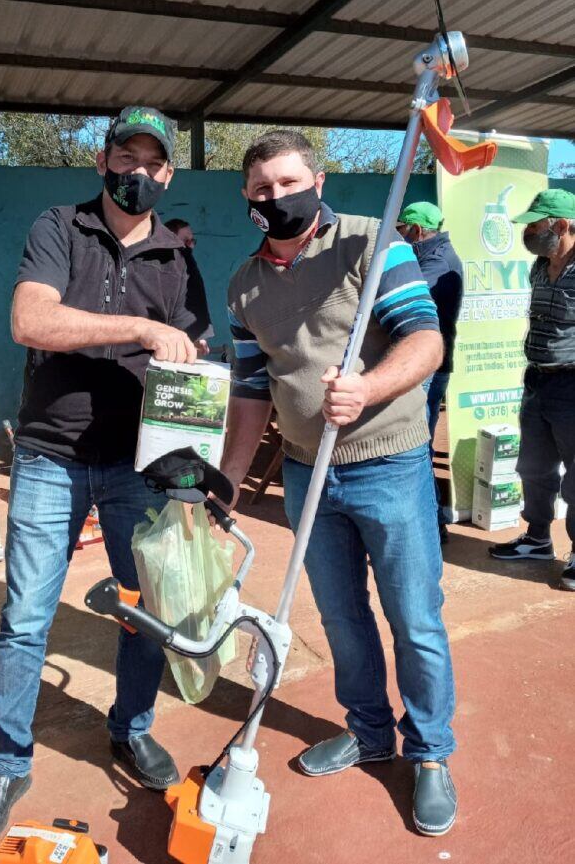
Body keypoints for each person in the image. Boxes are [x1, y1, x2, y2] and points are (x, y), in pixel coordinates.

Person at [0, 106, 209, 847]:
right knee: (28, 615)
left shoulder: (177, 255)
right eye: (125, 158)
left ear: (168, 173)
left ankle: (132, 729)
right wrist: (137, 327)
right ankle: (7, 759)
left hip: (136, 463)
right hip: (50, 454)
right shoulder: (59, 227)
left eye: (152, 162)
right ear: (102, 161)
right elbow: (31, 321)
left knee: (141, 612)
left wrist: (187, 459)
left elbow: (192, 356)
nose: (138, 173)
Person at [220, 130, 457, 836]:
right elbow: (250, 388)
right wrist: (231, 478)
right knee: (340, 616)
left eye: (290, 182)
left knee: (413, 616)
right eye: (263, 189)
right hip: (306, 472)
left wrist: (367, 387)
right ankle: (369, 729)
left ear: (318, 182)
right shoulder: (243, 284)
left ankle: (431, 753)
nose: (277, 197)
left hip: (389, 462)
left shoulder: (374, 243)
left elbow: (425, 338)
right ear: (247, 199)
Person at [489, 189, 575, 591]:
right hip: (538, 379)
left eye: (535, 224)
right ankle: (538, 539)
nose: (528, 231)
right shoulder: (541, 266)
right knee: (534, 466)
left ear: (562, 225)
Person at [397, 202, 464, 543]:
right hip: (427, 365)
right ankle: (431, 519)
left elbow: (406, 298)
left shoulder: (436, 263)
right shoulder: (432, 256)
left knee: (416, 444)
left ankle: (432, 522)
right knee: (416, 442)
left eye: (402, 229)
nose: (400, 236)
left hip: (428, 367)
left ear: (418, 231)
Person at [165, 217, 214, 342]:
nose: (191, 246)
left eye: (192, 241)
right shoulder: (165, 267)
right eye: (186, 241)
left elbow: (195, 300)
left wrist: (199, 337)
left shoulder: (187, 263)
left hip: (187, 339)